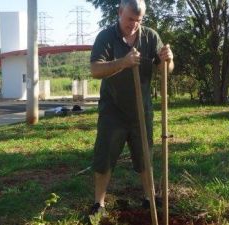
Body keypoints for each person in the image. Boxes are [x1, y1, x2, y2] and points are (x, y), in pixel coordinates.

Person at [89, 0, 174, 215]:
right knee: (104, 157)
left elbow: (166, 68)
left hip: (141, 110)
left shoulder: (150, 36)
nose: (133, 25)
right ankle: (99, 203)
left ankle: (149, 198)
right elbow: (95, 70)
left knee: (145, 157)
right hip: (113, 110)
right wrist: (122, 63)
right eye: (129, 19)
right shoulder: (106, 37)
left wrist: (168, 60)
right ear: (119, 12)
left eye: (138, 20)